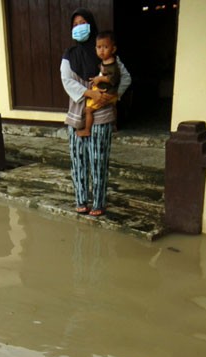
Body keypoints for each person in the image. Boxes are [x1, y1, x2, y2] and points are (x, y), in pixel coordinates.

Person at [60, 8, 131, 217]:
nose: (78, 27)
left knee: (98, 161)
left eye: (82, 22)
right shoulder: (69, 55)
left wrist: (114, 96)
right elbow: (67, 80)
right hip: (77, 115)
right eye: (74, 24)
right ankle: (81, 200)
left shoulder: (105, 53)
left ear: (91, 25)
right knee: (78, 159)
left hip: (102, 116)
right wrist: (89, 92)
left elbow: (125, 77)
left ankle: (99, 203)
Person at [76, 31, 121, 138]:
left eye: (105, 47)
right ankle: (114, 124)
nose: (101, 50)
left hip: (107, 93)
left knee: (88, 110)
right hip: (109, 92)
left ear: (113, 49)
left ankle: (87, 130)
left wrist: (99, 78)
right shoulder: (105, 61)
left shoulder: (112, 63)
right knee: (113, 106)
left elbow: (113, 78)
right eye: (99, 47)